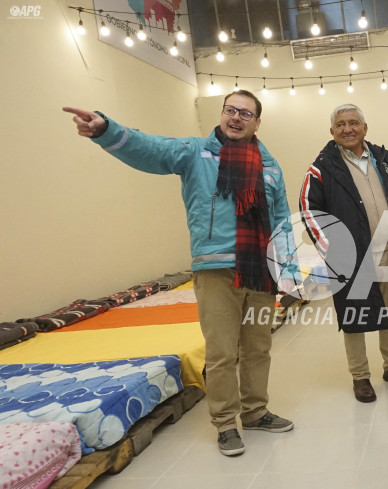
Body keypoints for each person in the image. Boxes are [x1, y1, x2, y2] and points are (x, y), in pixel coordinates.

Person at [63, 90, 300, 456]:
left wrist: (287, 269)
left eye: (246, 114)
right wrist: (106, 131)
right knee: (222, 353)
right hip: (216, 270)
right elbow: (151, 149)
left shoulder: (269, 166)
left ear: (257, 122)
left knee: (258, 348)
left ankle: (255, 412)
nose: (237, 118)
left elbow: (282, 218)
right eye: (231, 110)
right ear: (221, 114)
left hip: (260, 273)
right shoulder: (195, 153)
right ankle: (225, 424)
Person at [299, 104, 388, 403]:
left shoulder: (385, 158)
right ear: (332, 132)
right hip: (351, 257)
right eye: (340, 125)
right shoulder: (322, 167)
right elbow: (308, 209)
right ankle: (360, 376)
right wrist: (333, 249)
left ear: (365, 128)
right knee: (354, 316)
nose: (348, 129)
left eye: (354, 123)